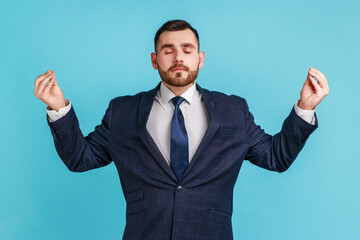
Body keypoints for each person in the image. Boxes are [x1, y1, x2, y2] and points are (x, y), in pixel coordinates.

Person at [34, 20, 329, 240]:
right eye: (168, 50)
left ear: (200, 59)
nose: (178, 58)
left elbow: (276, 157)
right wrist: (59, 109)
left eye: (187, 50)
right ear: (155, 60)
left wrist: (305, 108)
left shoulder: (233, 111)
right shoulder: (122, 111)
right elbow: (80, 159)